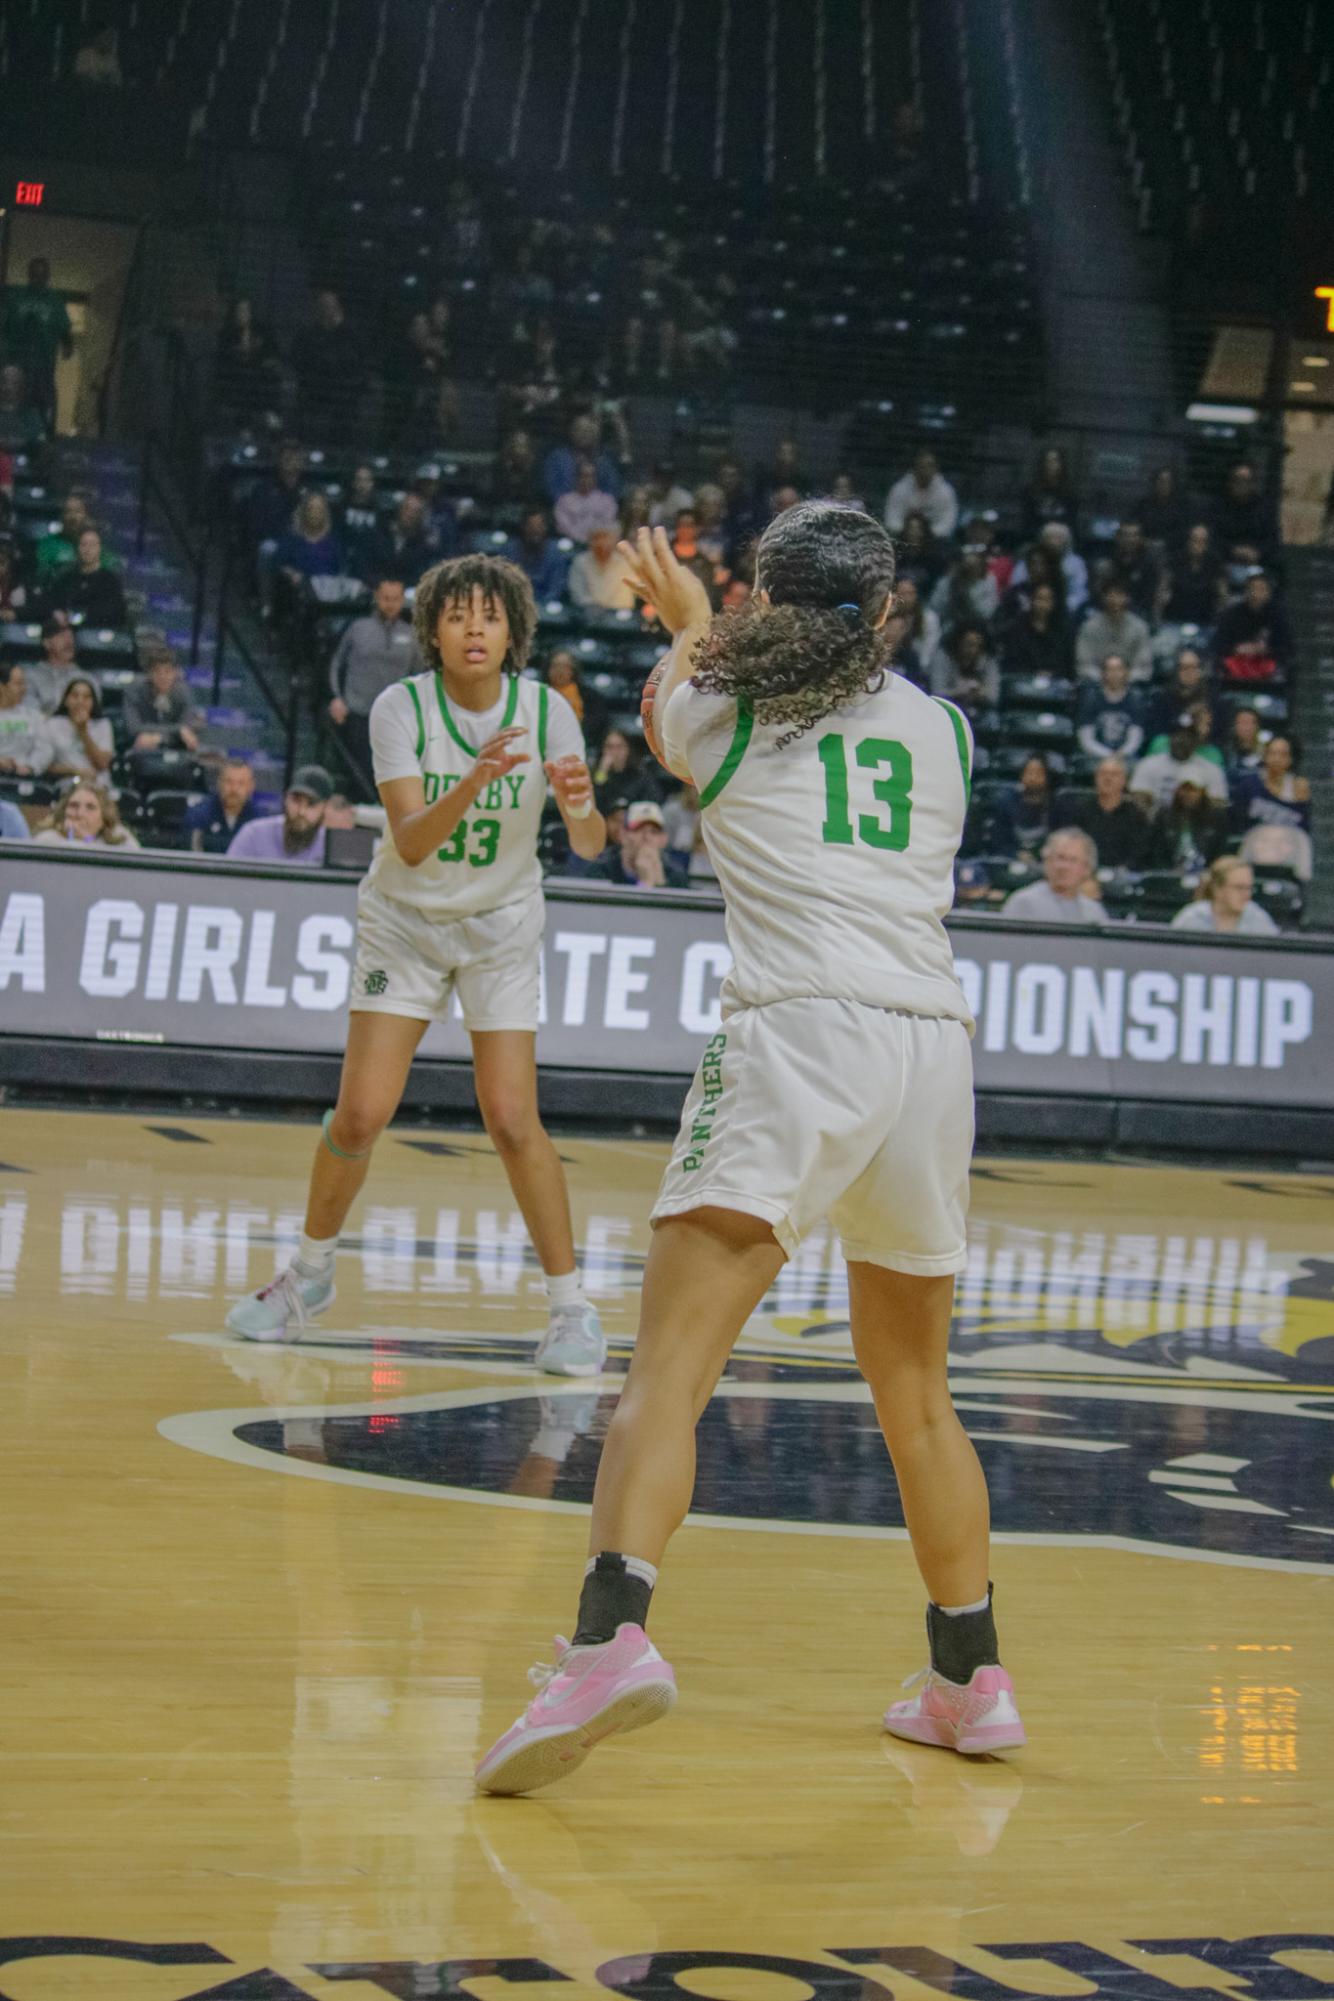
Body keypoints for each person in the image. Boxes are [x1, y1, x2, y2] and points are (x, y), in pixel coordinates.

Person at [476, 512, 1025, 1796]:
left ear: (762, 601)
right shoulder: (944, 733)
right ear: (884, 611)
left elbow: (698, 689)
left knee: (664, 1373)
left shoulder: (711, 715)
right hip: (930, 1052)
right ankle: (970, 1678)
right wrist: (708, 622)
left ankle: (609, 1643)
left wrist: (682, 616)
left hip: (797, 1037)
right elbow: (793, 676)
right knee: (917, 1395)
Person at [226, 554, 611, 1378]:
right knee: (360, 1113)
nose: (475, 627)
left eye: (491, 615)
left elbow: (588, 844)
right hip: (404, 922)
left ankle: (572, 1308)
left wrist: (580, 803)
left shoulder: (550, 712)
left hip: (500, 924)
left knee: (512, 1118)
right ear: (432, 631)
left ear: (514, 633)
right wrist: (477, 776)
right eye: (458, 614)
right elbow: (409, 840)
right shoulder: (402, 707)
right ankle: (309, 1276)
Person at [328, 577, 422, 795]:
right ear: (376, 598)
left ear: (402, 601)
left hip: (393, 718)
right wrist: (337, 698)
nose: (390, 604)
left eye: (395, 599)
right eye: (385, 598)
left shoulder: (412, 636)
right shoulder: (357, 629)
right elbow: (336, 664)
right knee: (356, 773)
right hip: (356, 711)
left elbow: (419, 677)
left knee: (386, 776)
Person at [1, 260, 73, 431]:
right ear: (29, 275)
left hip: (43, 362)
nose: (37, 279)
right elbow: (4, 325)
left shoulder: (55, 302)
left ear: (47, 277)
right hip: (15, 361)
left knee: (44, 399)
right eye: (34, 274)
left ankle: (46, 434)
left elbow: (64, 327)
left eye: (41, 275)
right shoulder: (16, 297)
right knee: (13, 398)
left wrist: (67, 344)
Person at [1230, 735, 1313, 882]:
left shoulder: (1298, 787)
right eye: (1272, 753)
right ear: (1265, 755)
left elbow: (1303, 827)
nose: (1277, 758)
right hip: (1256, 845)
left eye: (1283, 754)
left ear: (1291, 759)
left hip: (1286, 849)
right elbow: (1237, 820)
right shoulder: (1249, 784)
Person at [1066, 756, 1155, 870]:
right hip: (1085, 873)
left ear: (1124, 780)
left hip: (1123, 877)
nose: (1108, 778)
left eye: (1114, 774)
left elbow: (1140, 853)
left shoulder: (1137, 815)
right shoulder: (1081, 811)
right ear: (1095, 778)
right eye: (1103, 773)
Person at [1002, 828, 1107, 924]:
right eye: (1060, 858)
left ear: (1087, 869)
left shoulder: (1094, 912)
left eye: (1073, 860)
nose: (1064, 866)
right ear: (1047, 861)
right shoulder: (1024, 902)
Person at [1130, 715, 1228, 812]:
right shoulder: (1148, 765)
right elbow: (1139, 798)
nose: (1182, 740)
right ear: (1170, 738)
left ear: (1196, 741)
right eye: (1177, 735)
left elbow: (1218, 805)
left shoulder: (1212, 770)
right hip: (1157, 823)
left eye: (1188, 736)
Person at [589, 799, 688, 889]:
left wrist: (659, 883)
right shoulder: (601, 871)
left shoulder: (675, 876)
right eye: (638, 830)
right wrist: (645, 883)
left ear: (663, 839)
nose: (647, 837)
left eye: (654, 832)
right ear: (623, 834)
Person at [123, 649, 201, 762]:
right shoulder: (134, 690)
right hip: (141, 747)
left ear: (176, 673)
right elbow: (133, 728)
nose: (162, 677)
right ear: (149, 673)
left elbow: (187, 729)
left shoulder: (184, 693)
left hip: (175, 750)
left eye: (168, 671)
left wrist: (159, 738)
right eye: (157, 671)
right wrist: (178, 730)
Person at [1213, 572, 1293, 682]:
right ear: (1246, 591)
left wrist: (1264, 650)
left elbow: (1287, 648)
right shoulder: (1231, 614)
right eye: (1253, 588)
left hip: (1266, 665)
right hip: (1237, 663)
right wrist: (1237, 649)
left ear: (1269, 593)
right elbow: (1218, 643)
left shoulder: (1278, 617)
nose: (1256, 593)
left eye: (1261, 589)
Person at [1170, 857, 1278, 936]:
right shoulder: (1191, 918)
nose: (1247, 894)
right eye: (1239, 887)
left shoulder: (1258, 918)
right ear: (1217, 889)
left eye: (1249, 888)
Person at [1075, 579, 1152, 683]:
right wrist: (1106, 677)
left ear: (1127, 598)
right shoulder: (1089, 628)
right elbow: (1084, 665)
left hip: (1130, 684)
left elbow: (1144, 667)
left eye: (1119, 594)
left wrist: (1123, 678)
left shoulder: (1139, 628)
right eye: (1111, 595)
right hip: (1097, 684)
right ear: (1103, 598)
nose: (1115, 600)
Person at [49, 527, 128, 628]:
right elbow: (53, 603)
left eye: (92, 545)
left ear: (100, 548)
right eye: (83, 544)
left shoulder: (110, 582)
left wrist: (79, 618)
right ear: (77, 548)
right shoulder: (66, 579)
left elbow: (114, 614)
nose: (88, 549)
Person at [44, 677, 114, 786]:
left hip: (99, 785)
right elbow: (45, 766)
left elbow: (103, 764)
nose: (80, 701)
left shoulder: (102, 725)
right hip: (67, 784)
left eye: (86, 697)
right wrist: (74, 771)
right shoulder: (52, 724)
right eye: (75, 696)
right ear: (66, 700)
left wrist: (83, 731)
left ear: (93, 702)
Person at [1075, 653, 1145, 763]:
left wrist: (1121, 755)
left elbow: (1135, 738)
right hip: (1095, 756)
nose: (1115, 674)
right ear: (1103, 673)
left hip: (1126, 756)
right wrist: (1108, 755)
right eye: (1110, 669)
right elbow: (1086, 739)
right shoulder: (1091, 699)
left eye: (1119, 669)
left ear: (1126, 672)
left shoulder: (1134, 700)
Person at [999, 581, 1073, 681]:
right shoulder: (1017, 629)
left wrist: (1052, 674)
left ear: (1053, 603)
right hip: (1024, 683)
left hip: (1055, 684)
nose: (1043, 605)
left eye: (1047, 600)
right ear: (1032, 600)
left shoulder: (1061, 631)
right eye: (1040, 599)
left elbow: (1066, 664)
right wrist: (1034, 674)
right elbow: (1012, 663)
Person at [185, 758, 262, 854]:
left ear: (251, 786)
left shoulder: (259, 820)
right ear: (219, 783)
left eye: (241, 783)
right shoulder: (199, 814)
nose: (234, 789)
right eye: (229, 782)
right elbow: (193, 855)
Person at [35, 780, 138, 849]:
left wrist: (86, 840)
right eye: (73, 805)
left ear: (104, 817)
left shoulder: (120, 840)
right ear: (63, 812)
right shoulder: (47, 840)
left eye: (90, 807)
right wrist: (74, 839)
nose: (80, 814)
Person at [884, 447, 959, 540]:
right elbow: (891, 519)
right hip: (904, 539)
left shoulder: (946, 492)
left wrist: (926, 535)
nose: (925, 470)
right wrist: (909, 533)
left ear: (935, 468)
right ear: (915, 467)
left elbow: (948, 524)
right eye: (921, 466)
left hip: (935, 540)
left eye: (929, 466)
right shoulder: (899, 489)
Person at [991, 753, 1053, 862]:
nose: (1033, 778)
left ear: (1047, 777)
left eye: (1039, 773)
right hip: (1012, 860)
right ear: (1022, 776)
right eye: (1029, 773)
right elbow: (999, 841)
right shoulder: (1006, 803)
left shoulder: (1056, 806)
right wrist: (1015, 854)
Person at [505, 506, 570, 603]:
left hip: (544, 605)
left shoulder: (555, 553)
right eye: (530, 526)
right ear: (523, 527)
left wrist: (541, 605)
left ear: (546, 528)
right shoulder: (509, 550)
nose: (535, 530)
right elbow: (504, 583)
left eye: (539, 526)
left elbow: (556, 586)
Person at [274, 493, 342, 586]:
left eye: (319, 509)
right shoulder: (292, 538)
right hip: (300, 589)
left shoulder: (333, 540)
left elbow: (340, 569)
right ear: (304, 511)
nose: (315, 513)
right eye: (311, 509)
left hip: (329, 590)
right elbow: (280, 564)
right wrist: (292, 574)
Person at [568, 524, 635, 612]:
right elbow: (577, 591)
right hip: (587, 612)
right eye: (596, 538)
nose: (601, 543)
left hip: (617, 613)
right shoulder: (580, 561)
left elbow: (626, 596)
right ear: (590, 541)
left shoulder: (625, 563)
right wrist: (592, 605)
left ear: (615, 540)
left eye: (605, 537)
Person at [0, 664, 52, 776]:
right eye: (18, 684)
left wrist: (30, 766)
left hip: (23, 777)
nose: (23, 688)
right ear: (2, 687)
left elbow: (45, 748)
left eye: (24, 683)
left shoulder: (33, 716)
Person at [554, 459, 620, 545]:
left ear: (595, 478)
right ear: (576, 477)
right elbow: (564, 527)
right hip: (574, 545)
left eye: (590, 476)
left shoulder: (607, 501)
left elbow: (608, 524)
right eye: (583, 476)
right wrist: (582, 539)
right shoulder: (564, 501)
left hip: (600, 545)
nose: (586, 479)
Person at [26, 614, 80, 716]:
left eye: (71, 636)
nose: (69, 642)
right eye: (62, 636)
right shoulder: (30, 678)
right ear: (47, 643)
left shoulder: (86, 679)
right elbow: (29, 716)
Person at [1020, 446, 1078, 540]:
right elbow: (1027, 522)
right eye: (1047, 461)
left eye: (1055, 460)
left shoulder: (1070, 493)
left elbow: (1072, 523)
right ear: (1042, 464)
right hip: (1036, 540)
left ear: (1062, 464)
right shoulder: (1031, 491)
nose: (1051, 464)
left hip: (1061, 540)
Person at [34, 494, 93, 582]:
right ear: (61, 516)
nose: (73, 517)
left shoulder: (95, 545)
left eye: (78, 511)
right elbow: (42, 578)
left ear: (86, 515)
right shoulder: (48, 544)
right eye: (68, 511)